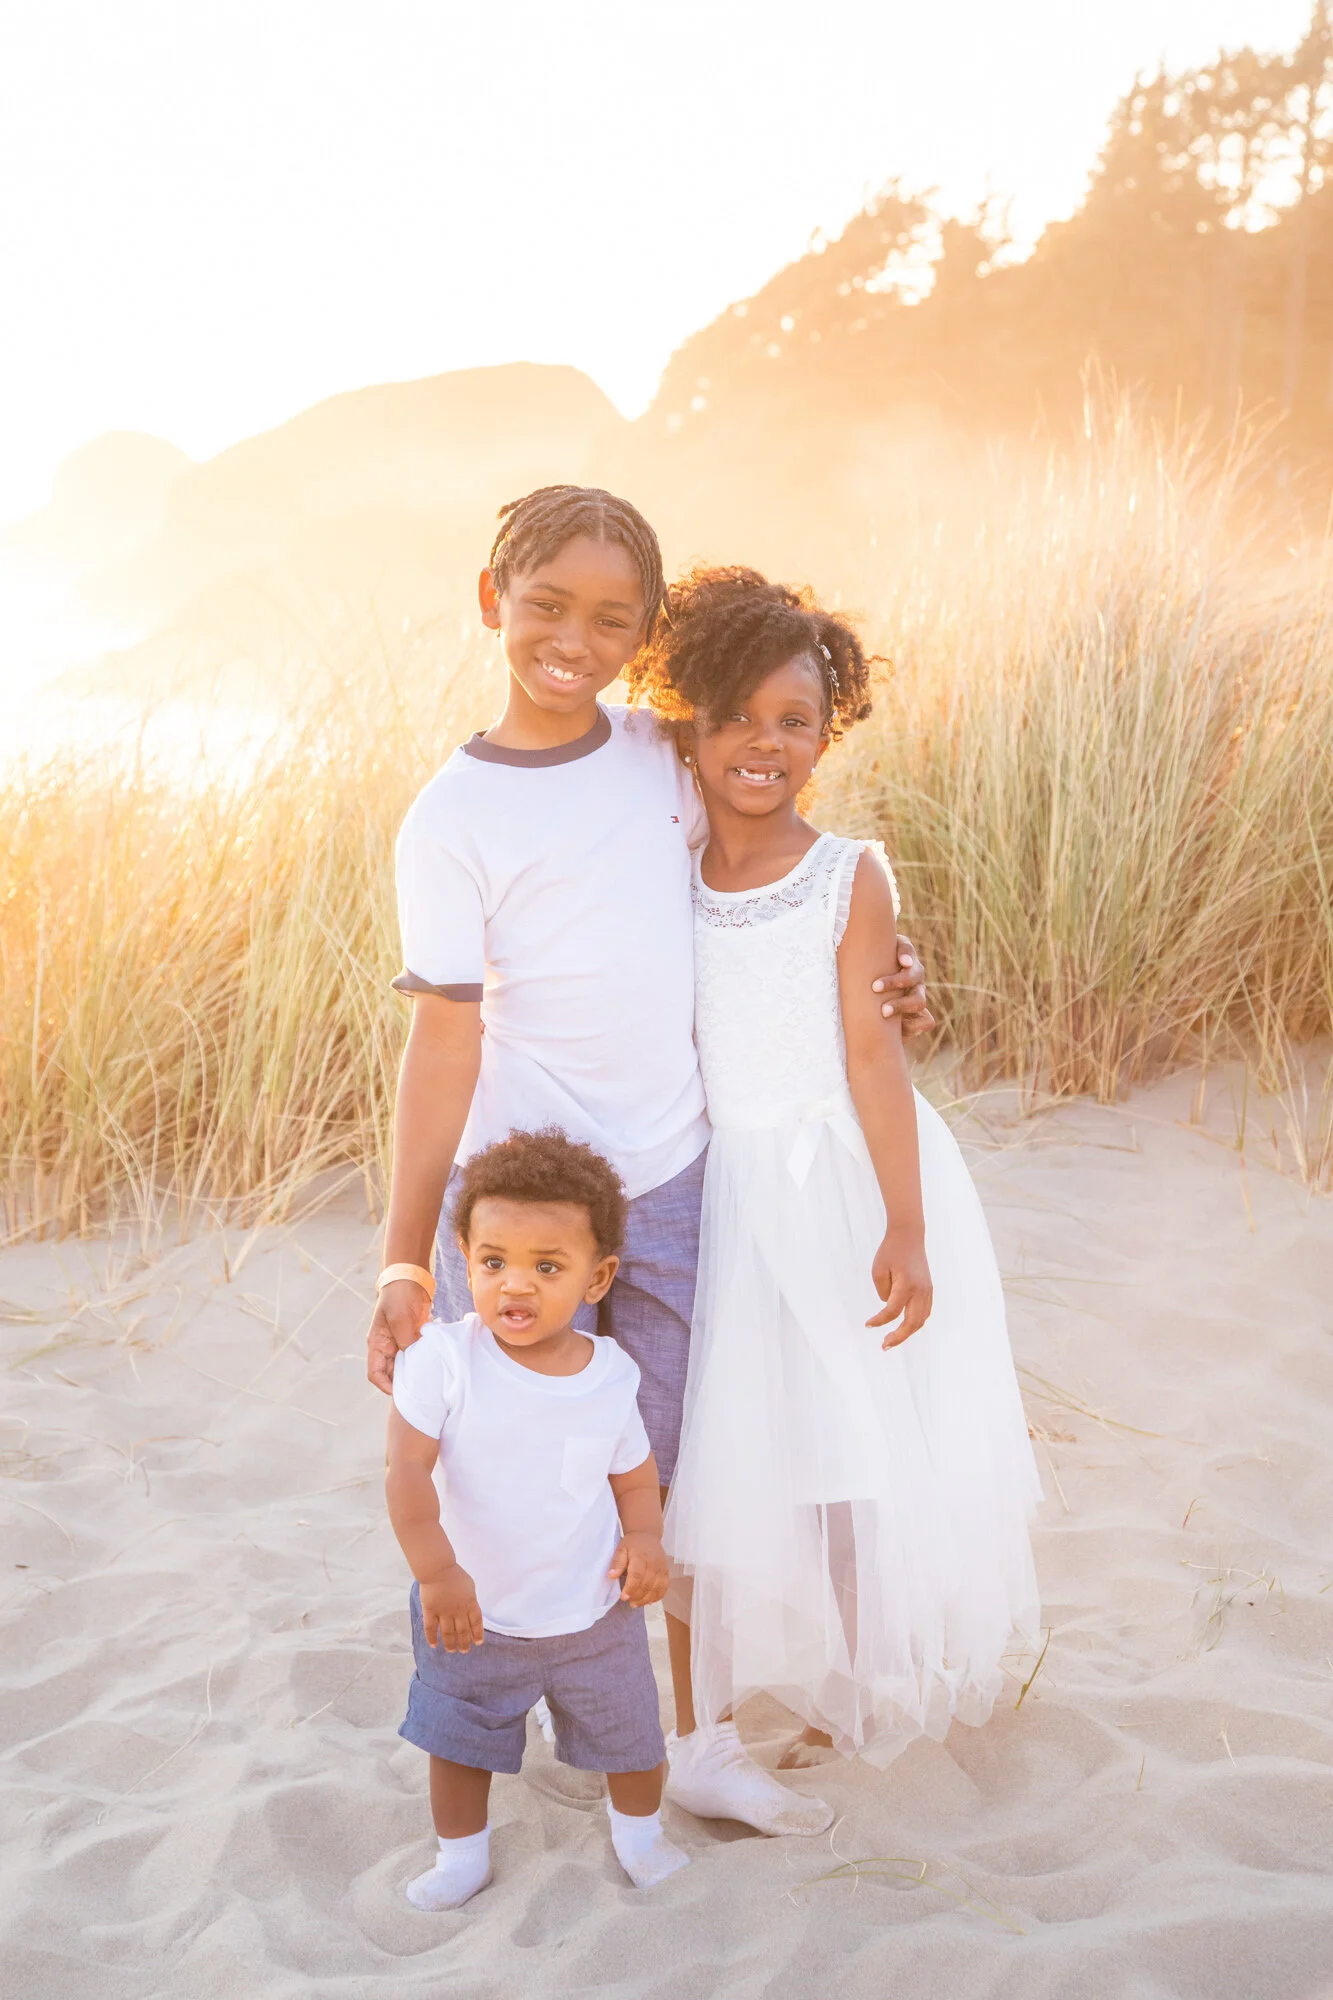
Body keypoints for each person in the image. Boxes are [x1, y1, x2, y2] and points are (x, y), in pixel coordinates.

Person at [366, 485, 935, 1831]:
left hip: (679, 1184)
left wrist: (895, 971)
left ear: (643, 638)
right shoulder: (447, 819)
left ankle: (686, 1737)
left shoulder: (656, 754)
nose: (575, 638)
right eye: (547, 605)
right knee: (506, 1466)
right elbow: (441, 1044)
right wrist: (404, 1251)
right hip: (527, 1208)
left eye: (613, 618)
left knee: (667, 1470)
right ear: (491, 599)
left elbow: (770, 856)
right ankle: (478, 1740)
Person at [625, 566, 1042, 1768]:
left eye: (794, 721)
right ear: (687, 722)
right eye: (737, 716)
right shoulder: (669, 860)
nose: (765, 743)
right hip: (720, 1196)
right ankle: (698, 1721)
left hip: (838, 1185)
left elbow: (872, 1057)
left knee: (853, 1449)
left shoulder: (848, 871)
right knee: (721, 1453)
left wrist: (905, 1224)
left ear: (828, 731)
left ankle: (854, 1686)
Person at [386, 1128, 690, 1908]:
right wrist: (437, 1572)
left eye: (546, 1268)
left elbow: (631, 1471)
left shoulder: (610, 1373)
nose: (515, 1287)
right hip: (470, 1612)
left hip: (591, 1611)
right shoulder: (442, 1362)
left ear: (599, 1277)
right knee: (459, 1741)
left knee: (631, 1736)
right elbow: (407, 1474)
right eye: (493, 1263)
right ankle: (461, 1855)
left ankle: (640, 1837)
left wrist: (646, 1537)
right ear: (463, 1255)